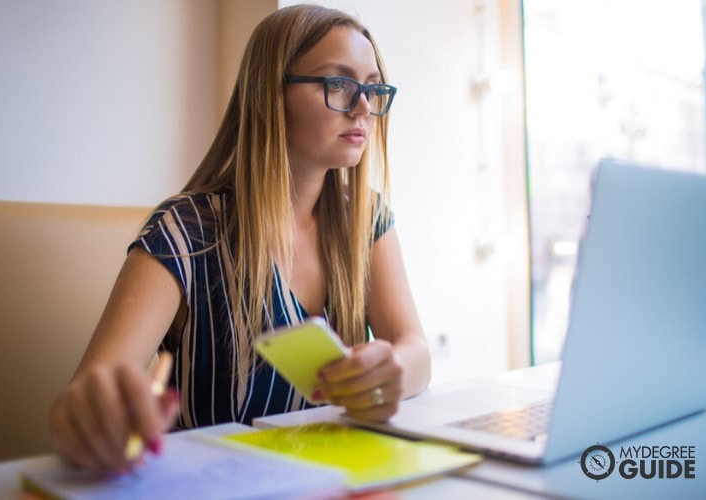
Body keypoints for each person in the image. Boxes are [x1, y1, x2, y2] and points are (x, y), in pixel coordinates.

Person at [49, 3, 431, 474]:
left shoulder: (364, 217)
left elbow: (414, 349)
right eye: (338, 84)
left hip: (335, 479)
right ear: (271, 94)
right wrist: (98, 420)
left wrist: (393, 371)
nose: (364, 107)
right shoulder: (186, 231)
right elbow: (85, 398)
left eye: (372, 88)